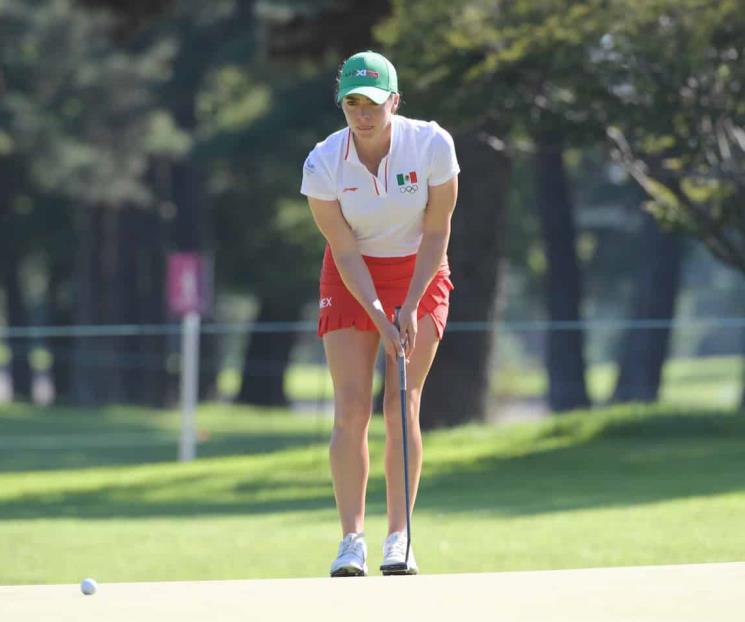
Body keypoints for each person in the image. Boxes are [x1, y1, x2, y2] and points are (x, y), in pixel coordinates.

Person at [300, 50, 459, 577]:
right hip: (352, 277)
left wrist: (409, 308)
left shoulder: (433, 145)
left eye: (372, 102)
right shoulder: (323, 162)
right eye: (352, 103)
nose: (362, 114)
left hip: (419, 270)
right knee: (350, 407)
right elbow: (343, 250)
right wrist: (377, 312)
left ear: (394, 100)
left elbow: (437, 233)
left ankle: (399, 539)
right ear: (342, 104)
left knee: (401, 402)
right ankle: (351, 541)